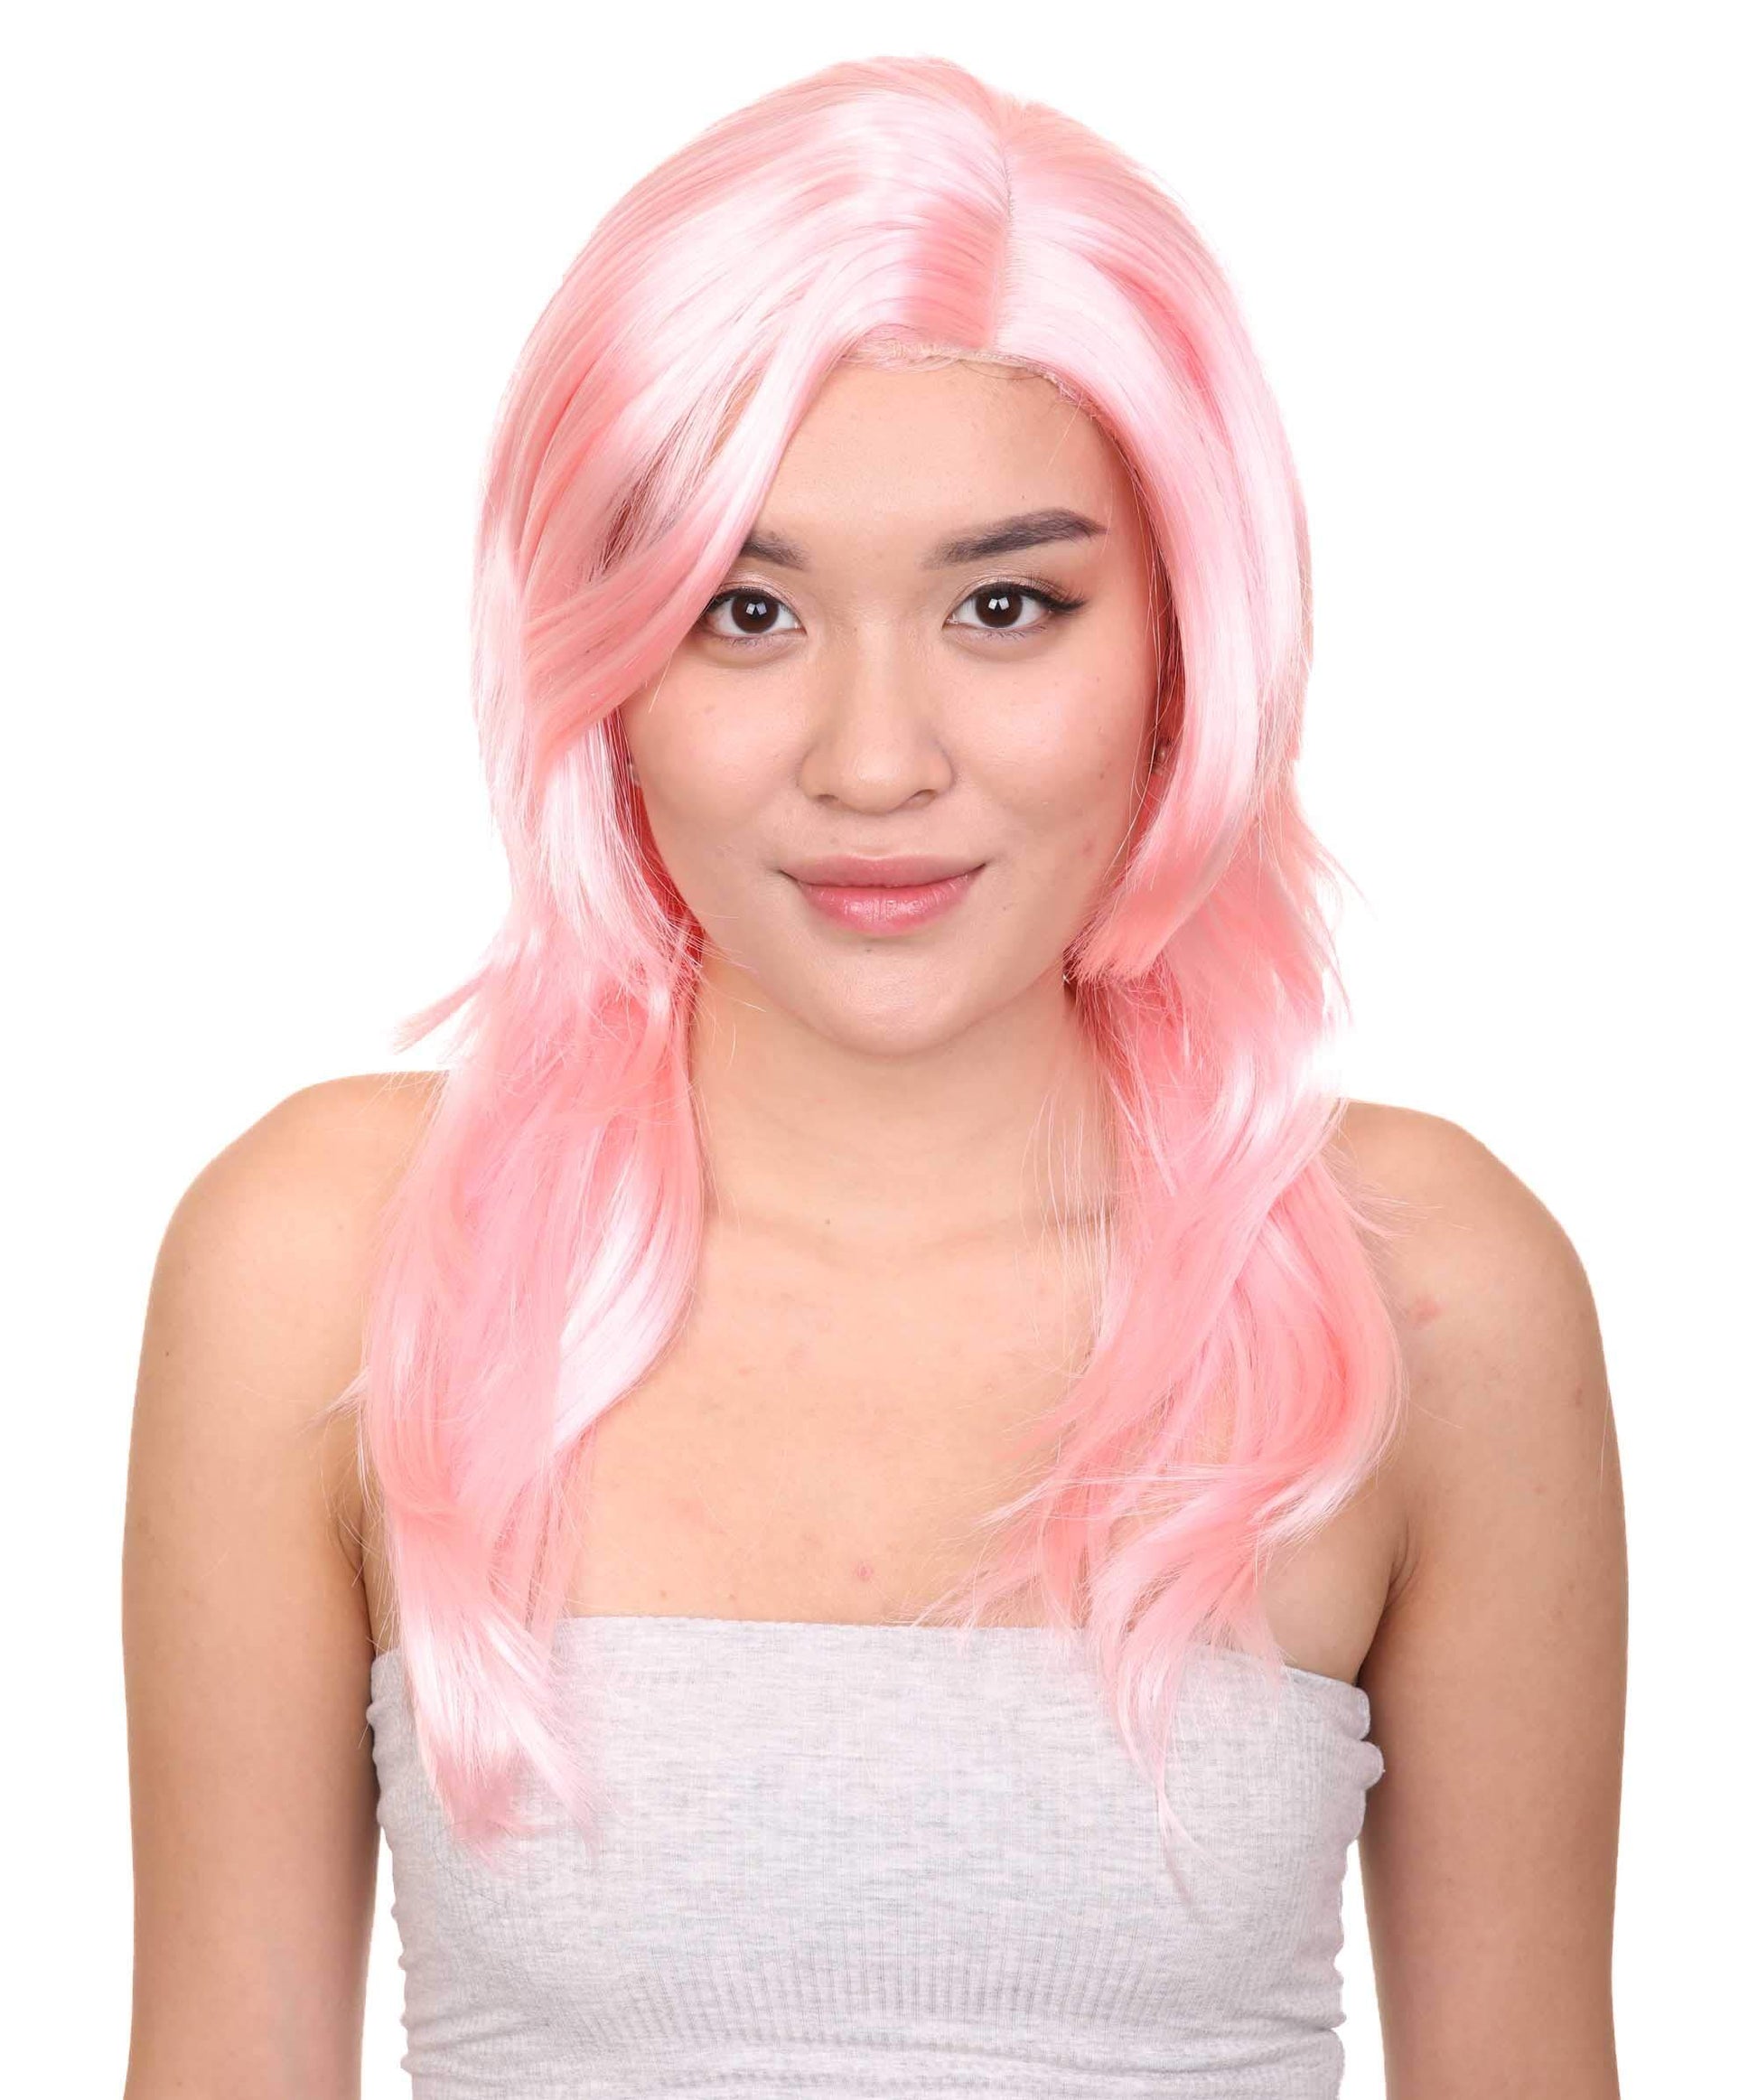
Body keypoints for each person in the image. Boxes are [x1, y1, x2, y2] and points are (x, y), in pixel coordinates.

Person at [120, 53, 1627, 2100]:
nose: (874, 760)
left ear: (1182, 649)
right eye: (745, 610)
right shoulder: (334, 1264)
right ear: (607, 662)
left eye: (1005, 606)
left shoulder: (1419, 1289)